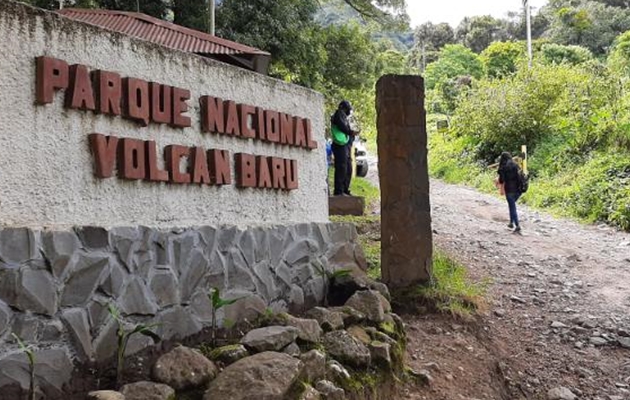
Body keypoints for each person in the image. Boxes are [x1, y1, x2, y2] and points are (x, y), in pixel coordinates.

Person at [330, 100, 356, 196]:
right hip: (340, 146)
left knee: (348, 168)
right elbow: (342, 127)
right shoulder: (339, 114)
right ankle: (339, 191)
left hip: (345, 146)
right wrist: (350, 132)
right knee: (342, 167)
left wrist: (351, 134)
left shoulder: (344, 117)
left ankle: (345, 189)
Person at [497, 151, 523, 233]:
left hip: (509, 189)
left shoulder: (503, 168)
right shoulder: (515, 165)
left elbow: (501, 180)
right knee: (512, 206)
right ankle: (511, 223)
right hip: (518, 189)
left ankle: (517, 225)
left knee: (512, 207)